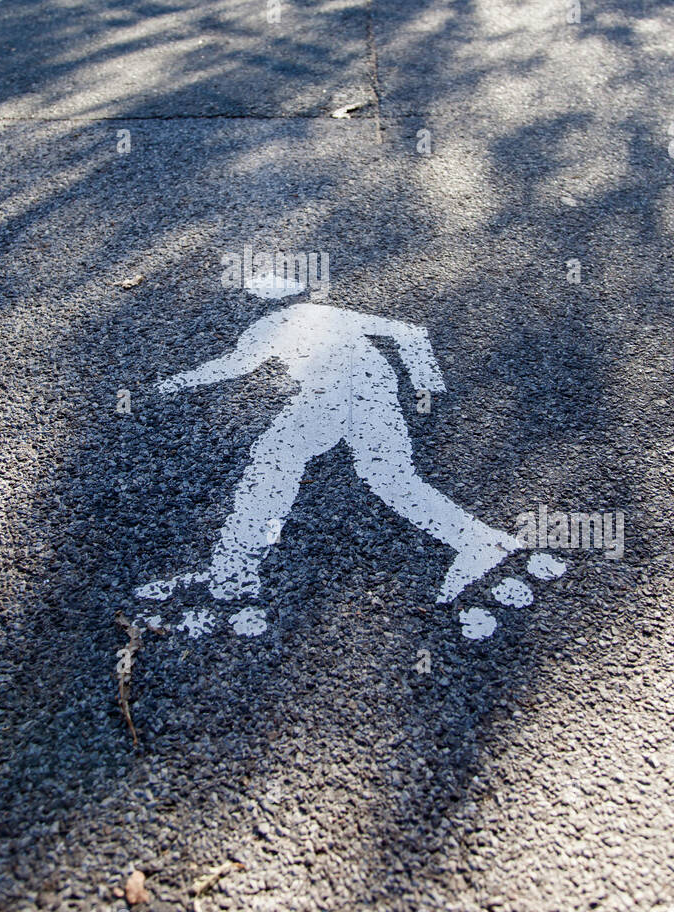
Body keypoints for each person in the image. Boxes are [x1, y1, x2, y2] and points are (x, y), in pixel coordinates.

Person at [137, 270, 560, 638]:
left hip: (335, 395)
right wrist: (426, 384)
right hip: (377, 392)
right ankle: (478, 542)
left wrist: (172, 384)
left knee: (274, 459)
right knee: (390, 479)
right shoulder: (311, 317)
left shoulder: (286, 322)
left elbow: (236, 365)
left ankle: (234, 572)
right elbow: (411, 333)